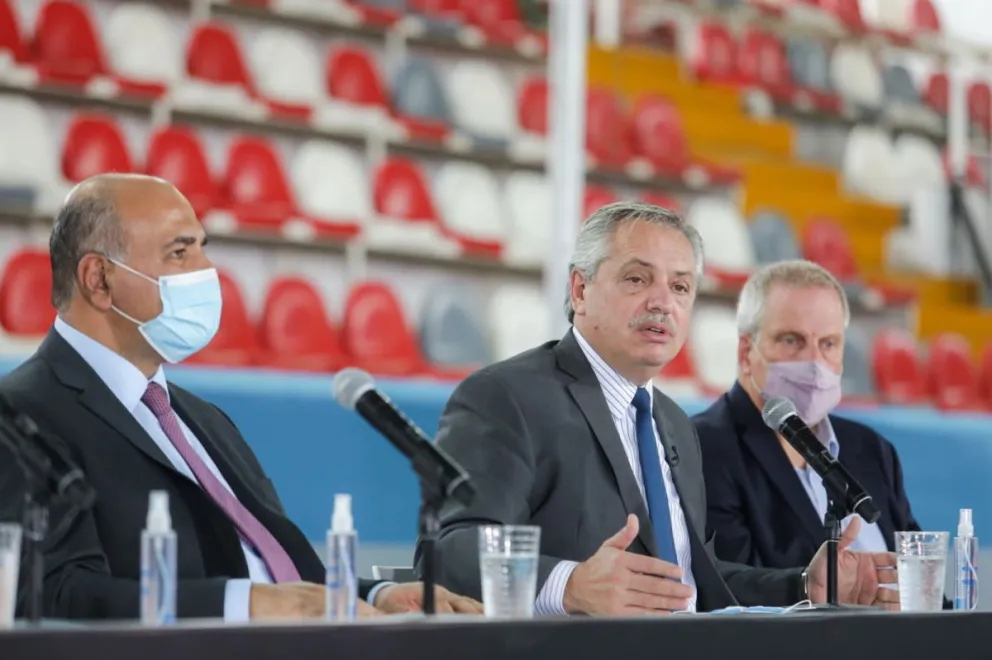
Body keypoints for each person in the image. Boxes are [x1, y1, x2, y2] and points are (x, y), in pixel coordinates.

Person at [0, 174, 481, 621]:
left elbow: (277, 576)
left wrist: (371, 595)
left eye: (203, 250)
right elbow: (53, 592)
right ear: (99, 279)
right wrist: (242, 604)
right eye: (180, 254)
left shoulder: (202, 419)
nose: (208, 272)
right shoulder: (21, 418)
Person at [416, 202, 899, 615]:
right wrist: (572, 585)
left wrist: (799, 587)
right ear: (580, 290)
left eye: (681, 287)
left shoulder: (671, 423)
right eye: (637, 278)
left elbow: (693, 583)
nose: (663, 302)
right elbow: (449, 552)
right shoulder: (506, 397)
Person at [692, 260, 925, 570]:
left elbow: (923, 582)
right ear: (746, 352)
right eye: (791, 340)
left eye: (828, 343)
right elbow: (727, 590)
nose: (814, 361)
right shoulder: (704, 447)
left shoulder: (871, 450)